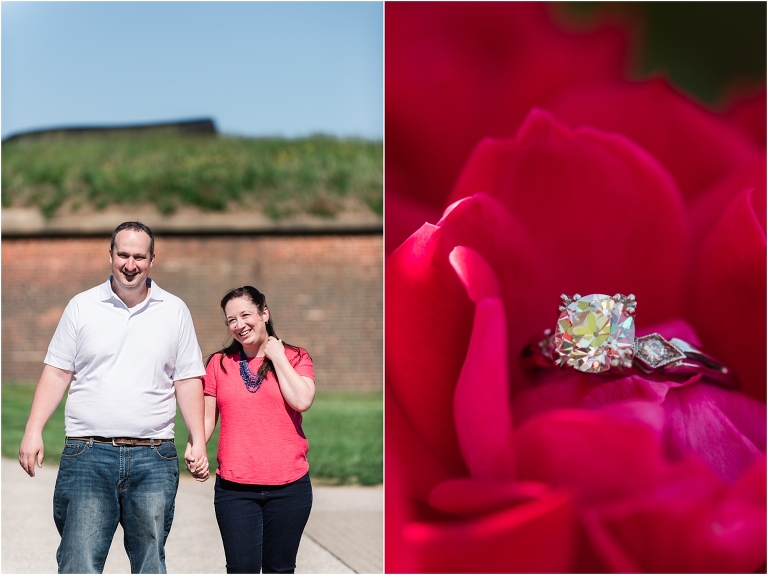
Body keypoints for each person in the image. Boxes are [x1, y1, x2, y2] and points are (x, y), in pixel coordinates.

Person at [18, 221, 210, 574]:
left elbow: (187, 379)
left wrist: (198, 440)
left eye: (139, 256)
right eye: (123, 254)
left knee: (149, 563)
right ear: (110, 255)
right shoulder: (82, 306)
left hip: (153, 456)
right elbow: (58, 371)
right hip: (88, 454)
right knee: (79, 561)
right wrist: (33, 431)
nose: (130, 264)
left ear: (153, 260)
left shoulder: (174, 310)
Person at [195, 286, 315, 574]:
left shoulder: (296, 357)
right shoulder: (218, 363)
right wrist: (196, 448)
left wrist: (277, 356)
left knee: (280, 569)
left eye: (245, 315)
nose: (239, 325)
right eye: (231, 320)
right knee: (241, 569)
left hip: (290, 487)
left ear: (264, 313)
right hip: (235, 490)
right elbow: (206, 419)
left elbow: (301, 400)